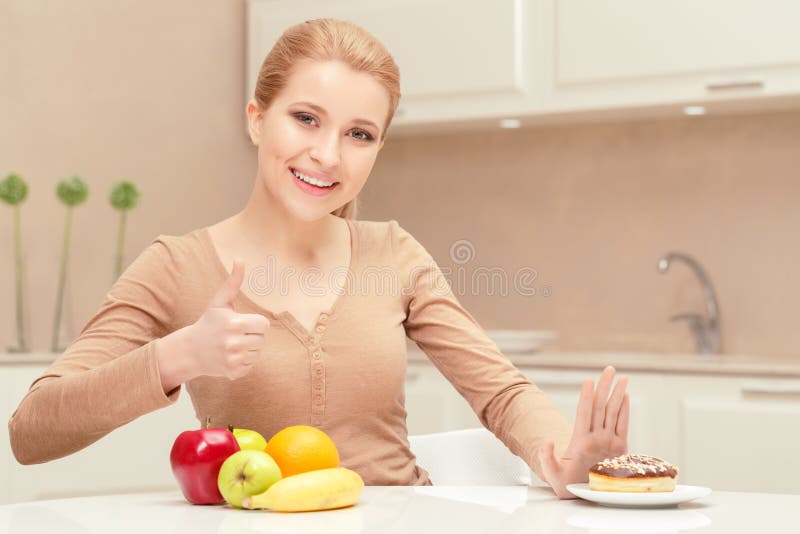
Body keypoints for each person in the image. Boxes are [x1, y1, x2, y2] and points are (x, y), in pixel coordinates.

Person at [7, 19, 629, 499]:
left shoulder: (395, 253)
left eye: (359, 134)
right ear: (257, 119)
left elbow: (500, 392)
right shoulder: (176, 266)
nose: (329, 155)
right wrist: (178, 356)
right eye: (306, 119)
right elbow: (30, 431)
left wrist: (559, 455)